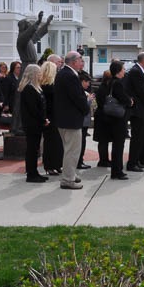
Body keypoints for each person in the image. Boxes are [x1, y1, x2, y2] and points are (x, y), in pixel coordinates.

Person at [54, 51, 91, 189]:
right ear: (74, 61)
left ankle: (70, 174)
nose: (82, 63)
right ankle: (68, 180)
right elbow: (77, 97)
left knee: (69, 149)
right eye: (80, 60)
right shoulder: (69, 75)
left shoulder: (63, 73)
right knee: (72, 151)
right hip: (71, 120)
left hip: (65, 119)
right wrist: (86, 108)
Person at [98, 60, 132, 180]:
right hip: (118, 119)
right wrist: (130, 101)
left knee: (116, 145)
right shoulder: (117, 83)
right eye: (123, 69)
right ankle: (117, 171)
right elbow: (123, 98)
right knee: (118, 145)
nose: (124, 71)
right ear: (118, 71)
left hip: (112, 118)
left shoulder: (111, 82)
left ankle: (116, 170)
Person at [18, 64, 49, 183]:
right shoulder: (29, 89)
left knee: (34, 149)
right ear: (33, 74)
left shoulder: (34, 87)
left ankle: (34, 172)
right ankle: (31, 174)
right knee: (32, 149)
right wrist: (43, 120)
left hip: (35, 123)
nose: (41, 75)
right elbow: (34, 109)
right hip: (32, 124)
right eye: (39, 73)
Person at [125, 52, 144, 173]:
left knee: (140, 137)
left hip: (140, 109)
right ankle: (132, 163)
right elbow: (141, 91)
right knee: (137, 137)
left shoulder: (139, 71)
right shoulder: (136, 71)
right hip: (138, 110)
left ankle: (137, 160)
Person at [39, 61, 63, 176]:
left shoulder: (45, 86)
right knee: (51, 143)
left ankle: (56, 164)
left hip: (53, 116)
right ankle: (50, 165)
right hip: (50, 117)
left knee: (55, 142)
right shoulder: (48, 87)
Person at [77, 70, 93, 170]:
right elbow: (82, 105)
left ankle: (80, 160)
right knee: (80, 142)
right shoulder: (80, 92)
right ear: (82, 81)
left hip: (85, 121)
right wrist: (89, 100)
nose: (88, 84)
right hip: (82, 121)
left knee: (82, 141)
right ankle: (79, 161)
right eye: (87, 82)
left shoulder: (84, 91)